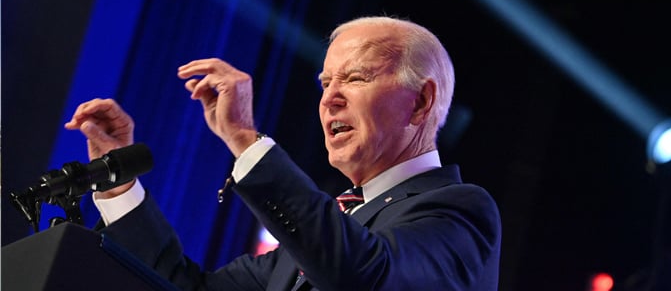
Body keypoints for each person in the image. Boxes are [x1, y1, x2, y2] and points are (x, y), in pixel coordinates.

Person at [64, 16, 501, 290]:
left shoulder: (459, 211)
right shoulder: (313, 242)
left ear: (421, 102)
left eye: (356, 78)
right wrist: (118, 182)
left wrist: (243, 140)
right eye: (325, 82)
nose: (330, 98)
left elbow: (364, 275)